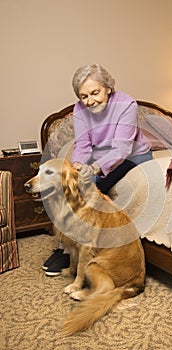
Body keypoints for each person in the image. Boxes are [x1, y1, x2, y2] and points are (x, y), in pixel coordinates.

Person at [43, 64, 152, 276]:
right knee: (70, 184)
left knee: (90, 187)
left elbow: (121, 148)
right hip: (99, 153)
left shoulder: (126, 104)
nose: (90, 101)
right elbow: (83, 144)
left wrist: (94, 168)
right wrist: (77, 166)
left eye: (95, 93)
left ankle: (74, 247)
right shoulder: (79, 109)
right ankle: (66, 244)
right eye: (84, 96)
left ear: (108, 88)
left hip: (131, 154)